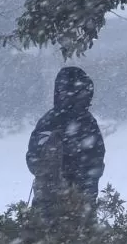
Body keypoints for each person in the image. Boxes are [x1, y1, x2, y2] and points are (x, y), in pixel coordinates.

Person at [26, 66, 105, 224]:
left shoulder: (87, 122)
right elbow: (34, 160)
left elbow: (96, 161)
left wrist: (85, 191)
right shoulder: (50, 121)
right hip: (50, 204)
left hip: (79, 202)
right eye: (80, 93)